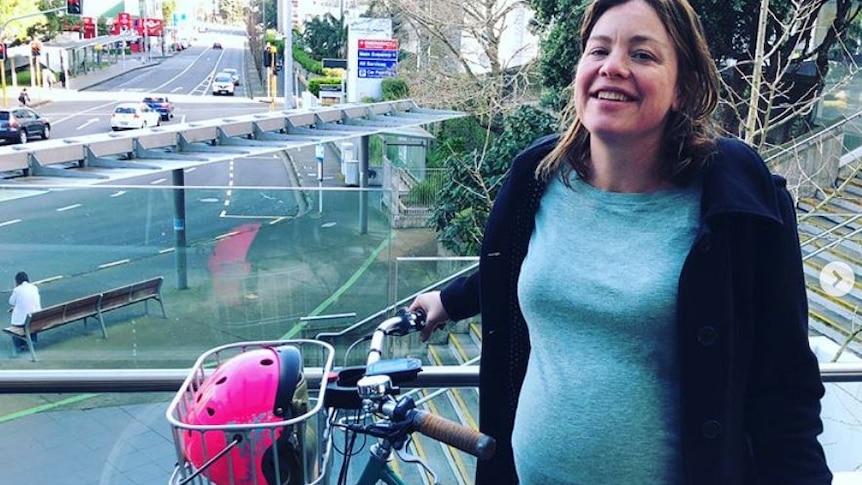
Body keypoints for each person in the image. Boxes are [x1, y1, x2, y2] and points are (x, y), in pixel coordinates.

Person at [409, 0, 833, 484]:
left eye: (643, 55)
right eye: (599, 50)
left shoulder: (737, 203)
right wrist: (448, 298)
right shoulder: (535, 179)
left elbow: (786, 389)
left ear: (685, 87)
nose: (613, 66)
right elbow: (519, 267)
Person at [9, 271, 41, 352]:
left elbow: (11, 302)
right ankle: (32, 341)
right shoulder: (34, 287)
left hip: (22, 321)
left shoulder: (17, 290)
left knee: (16, 325)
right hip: (36, 318)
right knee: (31, 322)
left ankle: (19, 346)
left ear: (17, 281)